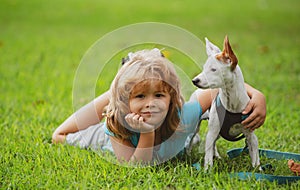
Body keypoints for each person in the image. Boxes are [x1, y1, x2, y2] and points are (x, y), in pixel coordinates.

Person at [52, 48, 266, 165]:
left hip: (142, 109)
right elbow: (138, 166)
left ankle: (127, 91)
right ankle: (116, 94)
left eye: (159, 95)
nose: (151, 104)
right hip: (106, 133)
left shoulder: (186, 114)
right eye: (141, 95)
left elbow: (219, 86)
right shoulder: (117, 127)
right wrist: (146, 133)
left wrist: (256, 94)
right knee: (60, 136)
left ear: (171, 98)